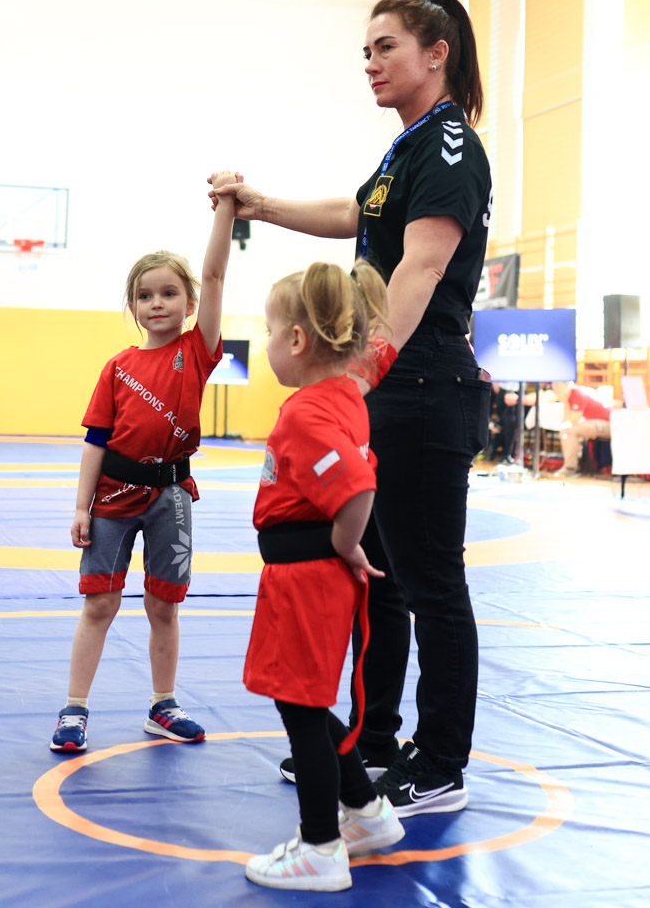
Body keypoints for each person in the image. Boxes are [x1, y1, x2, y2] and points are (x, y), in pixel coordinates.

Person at [213, 0, 493, 816]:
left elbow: (423, 265)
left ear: (435, 53)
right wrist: (262, 205)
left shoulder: (448, 145)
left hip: (421, 380)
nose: (370, 63)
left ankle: (439, 765)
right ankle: (371, 743)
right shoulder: (406, 148)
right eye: (365, 51)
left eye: (384, 47)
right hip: (394, 380)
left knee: (429, 581)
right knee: (379, 579)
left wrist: (362, 371)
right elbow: (355, 215)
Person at [49, 170, 236, 753]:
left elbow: (214, 272)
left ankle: (163, 705)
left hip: (171, 497)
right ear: (132, 306)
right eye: (146, 295)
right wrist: (81, 507)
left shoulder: (197, 352)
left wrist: (226, 207)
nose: (158, 302)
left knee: (163, 606)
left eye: (169, 293)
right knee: (100, 603)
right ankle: (74, 709)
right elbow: (95, 441)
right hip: (112, 496)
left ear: (190, 302)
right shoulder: (117, 367)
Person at [241, 260, 409, 891]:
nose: (265, 343)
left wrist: (345, 542)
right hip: (307, 575)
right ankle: (365, 812)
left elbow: (357, 485)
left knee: (303, 712)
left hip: (307, 578)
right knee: (304, 702)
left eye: (269, 330)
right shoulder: (344, 396)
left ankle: (320, 847)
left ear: (296, 340)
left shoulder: (306, 413)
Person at [552, 381, 611, 478]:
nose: (555, 391)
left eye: (557, 387)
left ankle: (570, 468)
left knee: (569, 431)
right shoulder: (572, 393)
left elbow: (573, 420)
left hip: (608, 423)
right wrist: (565, 401)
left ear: (566, 384)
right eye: (554, 388)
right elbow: (566, 419)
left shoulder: (577, 393)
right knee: (566, 430)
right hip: (601, 422)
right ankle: (571, 466)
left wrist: (563, 429)